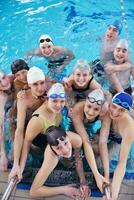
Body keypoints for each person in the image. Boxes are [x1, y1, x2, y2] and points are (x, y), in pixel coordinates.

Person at [9, 66, 51, 180]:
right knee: (35, 150)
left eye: (42, 83)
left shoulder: (50, 88)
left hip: (50, 124)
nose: (40, 88)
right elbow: (19, 130)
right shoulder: (23, 98)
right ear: (29, 85)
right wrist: (16, 164)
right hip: (35, 125)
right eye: (35, 84)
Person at [28, 126, 89, 199]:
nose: (65, 150)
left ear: (68, 138)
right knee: (35, 150)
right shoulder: (51, 158)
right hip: (38, 141)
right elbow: (34, 192)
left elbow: (78, 159)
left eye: (66, 143)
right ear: (53, 149)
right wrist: (64, 190)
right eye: (58, 148)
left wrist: (83, 181)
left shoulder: (76, 140)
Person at [69, 89, 109, 192]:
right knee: (75, 150)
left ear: (101, 110)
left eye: (96, 109)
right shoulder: (77, 109)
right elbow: (85, 141)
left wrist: (107, 176)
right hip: (73, 127)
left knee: (97, 149)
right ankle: (83, 180)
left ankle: (101, 175)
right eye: (89, 106)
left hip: (88, 129)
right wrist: (96, 175)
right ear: (85, 102)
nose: (91, 112)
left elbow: (103, 143)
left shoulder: (105, 114)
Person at [99, 92, 134, 200]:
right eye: (114, 106)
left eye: (121, 110)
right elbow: (102, 142)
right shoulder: (107, 112)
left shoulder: (129, 127)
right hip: (109, 138)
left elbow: (122, 162)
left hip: (122, 142)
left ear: (127, 111)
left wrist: (113, 195)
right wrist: (106, 175)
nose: (114, 112)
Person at [92, 20, 122, 84]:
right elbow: (98, 39)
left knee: (94, 85)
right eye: (109, 28)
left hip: (106, 72)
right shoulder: (105, 36)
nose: (110, 32)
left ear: (118, 34)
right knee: (82, 69)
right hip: (99, 62)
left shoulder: (117, 47)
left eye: (115, 30)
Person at [0, 71, 14, 171]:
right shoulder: (1, 97)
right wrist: (3, 154)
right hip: (8, 108)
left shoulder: (14, 78)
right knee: (9, 120)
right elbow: (0, 126)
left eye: (4, 77)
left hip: (15, 106)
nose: (4, 83)